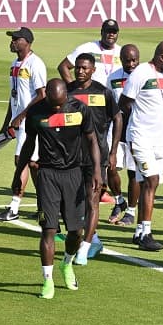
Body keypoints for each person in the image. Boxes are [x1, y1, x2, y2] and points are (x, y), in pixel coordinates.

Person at [13, 79, 101, 299]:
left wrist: (97, 171)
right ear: (47, 98)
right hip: (47, 175)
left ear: (66, 97)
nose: (57, 108)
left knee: (76, 232)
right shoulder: (36, 113)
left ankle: (67, 263)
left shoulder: (80, 109)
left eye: (60, 104)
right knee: (49, 230)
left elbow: (92, 140)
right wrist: (18, 174)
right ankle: (48, 281)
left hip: (74, 174)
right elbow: (29, 144)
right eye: (53, 104)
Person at [118, 41, 163, 251]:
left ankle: (139, 232)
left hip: (160, 137)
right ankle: (146, 233)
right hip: (140, 136)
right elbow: (124, 102)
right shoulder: (141, 72)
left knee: (151, 183)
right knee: (150, 180)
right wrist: (140, 119)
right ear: (161, 57)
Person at [67, 53, 122, 265]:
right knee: (73, 203)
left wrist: (114, 151)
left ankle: (85, 248)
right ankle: (94, 239)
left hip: (96, 157)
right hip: (71, 157)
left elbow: (117, 117)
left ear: (93, 70)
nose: (80, 71)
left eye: (84, 68)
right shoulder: (67, 91)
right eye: (77, 67)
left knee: (92, 200)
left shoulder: (103, 92)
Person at [0, 27, 46, 222]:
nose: (13, 42)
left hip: (31, 122)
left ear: (27, 42)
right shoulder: (14, 64)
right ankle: (45, 206)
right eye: (12, 39)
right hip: (20, 122)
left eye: (16, 39)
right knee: (33, 164)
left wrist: (22, 116)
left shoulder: (35, 63)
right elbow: (13, 96)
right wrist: (6, 124)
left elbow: (42, 95)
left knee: (21, 161)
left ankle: (14, 208)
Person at [106, 44, 141, 226]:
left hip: (136, 129)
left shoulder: (144, 76)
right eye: (128, 60)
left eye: (135, 60)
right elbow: (108, 103)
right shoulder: (113, 78)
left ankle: (131, 212)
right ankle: (119, 201)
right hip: (117, 129)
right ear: (121, 60)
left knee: (134, 172)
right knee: (110, 167)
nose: (132, 64)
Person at [58, 19, 122, 85]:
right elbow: (63, 66)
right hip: (94, 91)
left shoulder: (121, 51)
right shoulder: (87, 48)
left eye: (114, 32)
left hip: (115, 91)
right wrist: (73, 87)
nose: (111, 34)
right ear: (102, 32)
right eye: (108, 31)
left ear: (117, 34)